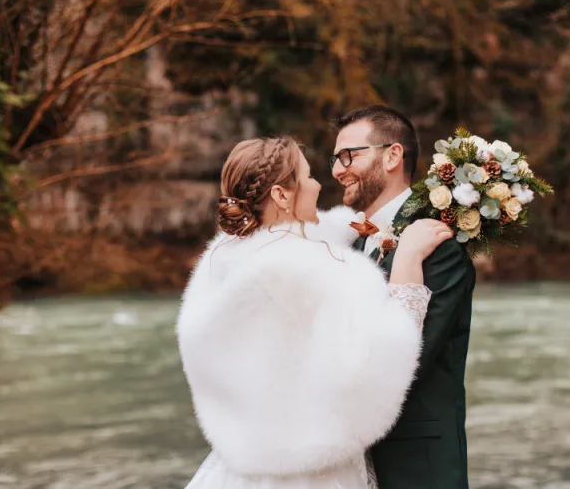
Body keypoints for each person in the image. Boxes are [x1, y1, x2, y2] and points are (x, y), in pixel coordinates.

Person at [177, 136, 453, 489]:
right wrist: (409, 260)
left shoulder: (224, 259)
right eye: (307, 177)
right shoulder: (315, 268)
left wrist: (345, 227)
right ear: (281, 195)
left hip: (243, 463)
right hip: (312, 471)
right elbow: (378, 365)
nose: (318, 184)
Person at [331, 105, 477, 489]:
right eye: (334, 159)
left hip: (415, 467)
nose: (336, 170)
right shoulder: (354, 241)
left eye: (349, 155)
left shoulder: (437, 243)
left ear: (393, 155)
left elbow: (409, 362)